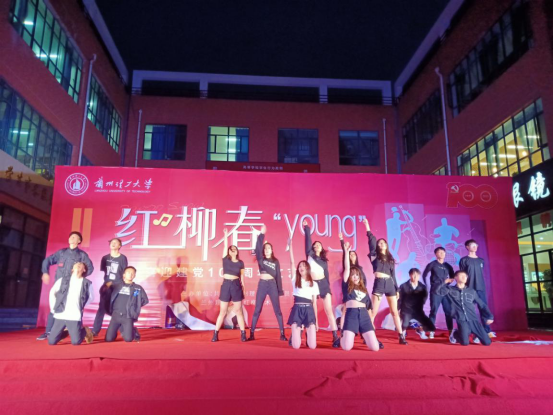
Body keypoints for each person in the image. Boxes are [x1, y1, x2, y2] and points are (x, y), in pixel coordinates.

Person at [38, 231, 94, 341]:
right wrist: (45, 272)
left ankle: (80, 331)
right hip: (60, 285)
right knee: (55, 307)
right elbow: (47, 261)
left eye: (75, 237)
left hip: (73, 287)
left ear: (79, 241)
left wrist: (79, 278)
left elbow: (90, 268)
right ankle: (48, 332)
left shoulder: (82, 255)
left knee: (76, 308)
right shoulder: (61, 253)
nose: (72, 238)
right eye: (70, 237)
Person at [365, 218, 407, 345]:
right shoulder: (374, 256)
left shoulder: (390, 259)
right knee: (373, 312)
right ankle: (369, 336)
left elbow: (393, 275)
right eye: (379, 243)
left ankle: (401, 336)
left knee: (394, 312)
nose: (381, 244)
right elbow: (371, 241)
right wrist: (367, 226)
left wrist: (397, 289)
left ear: (386, 245)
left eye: (383, 242)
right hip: (379, 283)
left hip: (390, 284)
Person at [303, 220, 339, 347]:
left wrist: (327, 287)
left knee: (328, 309)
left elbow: (326, 274)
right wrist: (307, 228)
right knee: (312, 308)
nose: (317, 245)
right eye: (315, 244)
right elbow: (308, 241)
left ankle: (335, 335)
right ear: (313, 248)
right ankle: (311, 334)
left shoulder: (324, 261)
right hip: (312, 284)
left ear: (322, 248)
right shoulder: (310, 255)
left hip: (323, 284)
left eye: (319, 244)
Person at [249, 225, 287, 341]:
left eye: (269, 248)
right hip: (262, 284)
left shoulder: (275, 261)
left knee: (277, 310)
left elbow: (278, 276)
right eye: (265, 248)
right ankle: (251, 333)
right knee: (257, 310)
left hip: (272, 285)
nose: (266, 250)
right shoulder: (261, 259)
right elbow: (257, 248)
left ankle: (282, 334)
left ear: (272, 250)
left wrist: (279, 290)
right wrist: (261, 234)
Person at [437, 270, 494, 346]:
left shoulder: (471, 291)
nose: (464, 277)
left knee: (487, 342)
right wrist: (444, 282)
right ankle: (455, 333)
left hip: (473, 320)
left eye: (466, 276)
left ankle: (476, 334)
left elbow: (482, 305)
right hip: (461, 320)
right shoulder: (449, 289)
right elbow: (437, 291)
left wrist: (490, 316)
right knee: (465, 343)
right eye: (462, 276)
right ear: (456, 277)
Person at [340, 241, 379, 351]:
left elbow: (369, 308)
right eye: (353, 275)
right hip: (351, 315)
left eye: (357, 275)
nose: (355, 277)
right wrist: (346, 252)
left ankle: (368, 338)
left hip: (364, 316)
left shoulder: (364, 289)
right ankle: (342, 337)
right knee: (347, 347)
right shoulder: (346, 285)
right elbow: (347, 268)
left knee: (375, 348)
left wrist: (371, 323)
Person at [211, 229, 247, 342]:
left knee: (239, 311)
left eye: (234, 249)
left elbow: (242, 277)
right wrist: (226, 235)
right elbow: (225, 245)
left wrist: (244, 288)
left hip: (236, 285)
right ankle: (215, 334)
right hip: (226, 285)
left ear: (237, 252)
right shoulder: (226, 259)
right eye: (231, 249)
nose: (232, 250)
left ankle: (243, 334)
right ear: (228, 252)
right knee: (223, 311)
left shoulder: (241, 263)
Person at [48, 262, 94, 346]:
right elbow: (52, 293)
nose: (78, 265)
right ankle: (66, 332)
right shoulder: (62, 280)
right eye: (76, 264)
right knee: (51, 342)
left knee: (76, 342)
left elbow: (91, 297)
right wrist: (53, 308)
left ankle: (84, 331)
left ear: (84, 270)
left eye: (81, 265)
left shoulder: (87, 283)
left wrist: (81, 306)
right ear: (72, 269)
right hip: (61, 313)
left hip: (74, 315)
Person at [287, 234, 319, 349]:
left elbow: (314, 303)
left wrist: (316, 321)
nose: (301, 268)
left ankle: (307, 332)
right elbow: (292, 262)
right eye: (300, 266)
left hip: (309, 310)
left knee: (313, 346)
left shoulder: (314, 284)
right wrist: (290, 246)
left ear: (307, 268)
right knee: (296, 346)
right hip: (297, 309)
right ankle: (297, 332)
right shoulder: (295, 279)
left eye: (304, 266)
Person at [459, 239, 496, 337]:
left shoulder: (481, 260)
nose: (475, 247)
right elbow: (462, 275)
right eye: (472, 245)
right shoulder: (464, 260)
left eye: (476, 245)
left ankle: (487, 330)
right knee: (468, 310)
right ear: (467, 247)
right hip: (469, 288)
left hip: (480, 288)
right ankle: (470, 331)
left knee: (483, 308)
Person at [92, 238, 128, 336]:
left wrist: (124, 286)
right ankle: (94, 331)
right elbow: (105, 272)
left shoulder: (122, 258)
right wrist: (106, 284)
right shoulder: (105, 258)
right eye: (112, 242)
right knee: (102, 308)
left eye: (116, 243)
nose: (113, 244)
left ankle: (124, 331)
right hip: (107, 286)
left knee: (117, 308)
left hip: (118, 285)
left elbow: (124, 273)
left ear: (120, 246)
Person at [105, 266, 149, 342]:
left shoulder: (137, 288)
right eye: (128, 272)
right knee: (108, 339)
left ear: (134, 275)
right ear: (124, 275)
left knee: (128, 339)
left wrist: (135, 306)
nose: (131, 274)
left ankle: (133, 331)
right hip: (115, 315)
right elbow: (107, 297)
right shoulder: (116, 286)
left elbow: (145, 300)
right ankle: (117, 330)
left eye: (133, 273)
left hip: (128, 316)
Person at [422, 247, 455, 338]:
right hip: (435, 291)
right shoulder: (432, 264)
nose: (441, 254)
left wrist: (447, 282)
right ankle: (431, 331)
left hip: (446, 291)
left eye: (443, 252)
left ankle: (451, 331)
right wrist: (427, 286)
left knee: (448, 312)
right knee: (433, 311)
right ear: (435, 254)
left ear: (445, 254)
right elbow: (424, 275)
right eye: (439, 252)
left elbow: (452, 277)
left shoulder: (448, 266)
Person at [338, 232, 367, 333]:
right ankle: (342, 331)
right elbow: (345, 253)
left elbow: (364, 281)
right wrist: (342, 241)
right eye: (350, 254)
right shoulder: (347, 268)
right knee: (345, 310)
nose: (352, 255)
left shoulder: (360, 268)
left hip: (360, 292)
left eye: (353, 254)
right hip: (349, 289)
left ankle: (364, 331)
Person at [398, 268, 435, 340]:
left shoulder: (422, 287)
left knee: (428, 324)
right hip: (406, 309)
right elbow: (400, 298)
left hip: (417, 310)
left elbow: (424, 297)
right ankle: (402, 334)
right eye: (413, 275)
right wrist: (398, 309)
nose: (415, 277)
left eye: (417, 275)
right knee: (405, 324)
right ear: (410, 275)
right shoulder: (403, 286)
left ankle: (420, 330)